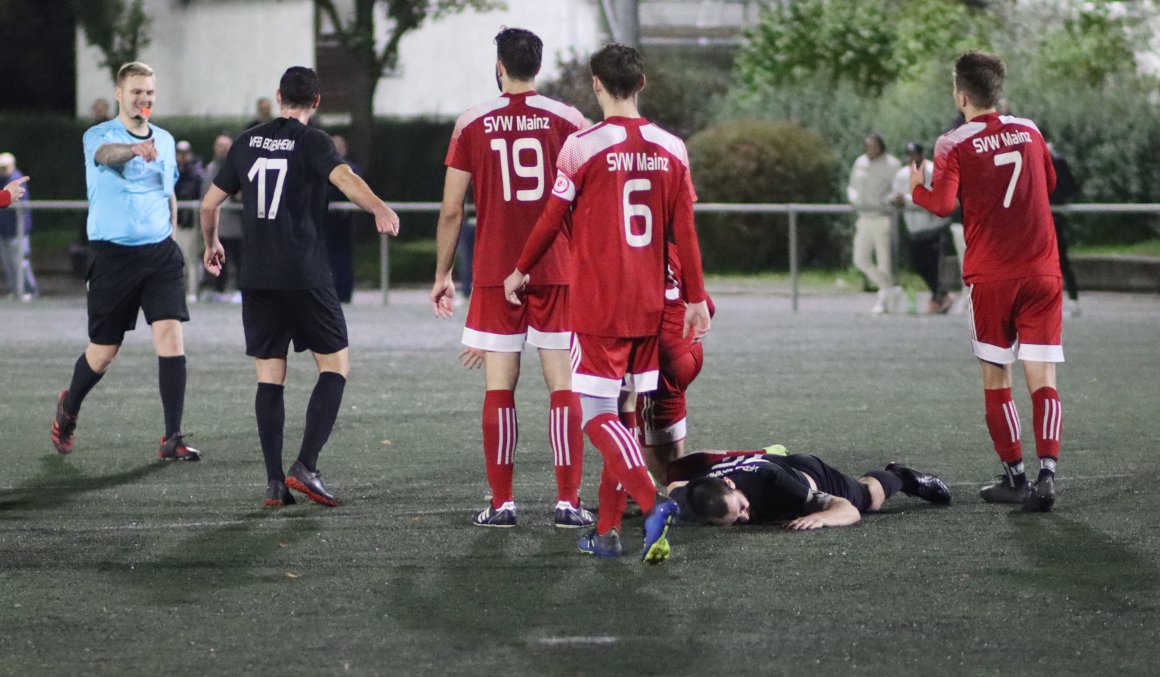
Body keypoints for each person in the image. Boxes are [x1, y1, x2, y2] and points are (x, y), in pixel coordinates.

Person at [503, 43, 712, 564]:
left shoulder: (581, 146)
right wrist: (696, 297)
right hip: (649, 302)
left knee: (592, 415)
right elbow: (684, 231)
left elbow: (550, 220)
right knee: (625, 419)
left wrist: (520, 269)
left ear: (596, 85)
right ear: (641, 84)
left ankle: (650, 501)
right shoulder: (673, 147)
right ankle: (608, 531)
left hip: (599, 302)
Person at [201, 66, 400, 508]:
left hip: (257, 278)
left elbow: (210, 202)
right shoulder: (313, 141)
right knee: (335, 367)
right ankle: (305, 466)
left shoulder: (247, 140)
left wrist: (211, 243)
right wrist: (379, 208)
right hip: (305, 274)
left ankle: (274, 482)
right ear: (317, 101)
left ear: (277, 96)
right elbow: (344, 179)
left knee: (270, 377)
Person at [430, 28, 593, 529]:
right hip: (558, 268)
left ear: (500, 65)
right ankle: (567, 503)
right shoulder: (569, 120)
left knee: (499, 387)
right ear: (537, 67)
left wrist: (442, 274)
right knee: (562, 385)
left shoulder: (472, 122)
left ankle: (502, 504)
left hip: (496, 270)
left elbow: (453, 209)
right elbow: (588, 201)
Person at [910, 51, 1062, 512]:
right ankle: (1048, 475)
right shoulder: (1031, 130)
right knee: (1044, 378)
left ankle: (1016, 478)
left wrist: (918, 185)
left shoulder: (952, 142)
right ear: (997, 92)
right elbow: (1048, 183)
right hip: (1041, 270)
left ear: (961, 96)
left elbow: (941, 205)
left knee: (997, 377)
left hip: (992, 276)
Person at [51, 61, 200, 461]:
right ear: (120, 94)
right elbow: (107, 155)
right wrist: (135, 149)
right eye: (136, 91)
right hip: (113, 257)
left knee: (170, 336)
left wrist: (169, 228)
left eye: (149, 91)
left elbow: (166, 189)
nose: (144, 98)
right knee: (104, 351)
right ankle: (69, 408)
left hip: (159, 255)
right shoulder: (100, 135)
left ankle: (172, 437)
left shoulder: (166, 140)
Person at [667, 449, 950, 529]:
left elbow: (847, 510)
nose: (745, 517)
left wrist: (824, 517)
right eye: (735, 520)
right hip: (770, 459)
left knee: (868, 498)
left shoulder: (775, 484)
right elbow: (675, 485)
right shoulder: (696, 497)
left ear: (730, 484)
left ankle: (900, 476)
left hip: (809, 473)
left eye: (741, 508)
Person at [890, 142, 953, 314]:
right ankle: (940, 296)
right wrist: (895, 199)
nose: (911, 158)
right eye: (909, 155)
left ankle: (940, 297)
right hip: (915, 228)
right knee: (918, 265)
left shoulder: (932, 171)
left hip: (934, 227)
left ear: (921, 154)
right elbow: (896, 194)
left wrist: (907, 200)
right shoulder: (902, 174)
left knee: (934, 266)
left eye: (914, 154)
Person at [848, 134, 902, 313]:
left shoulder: (891, 164)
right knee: (860, 259)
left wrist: (885, 201)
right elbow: (852, 186)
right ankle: (889, 288)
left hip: (881, 217)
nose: (871, 150)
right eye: (868, 146)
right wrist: (854, 199)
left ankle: (884, 300)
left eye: (874, 146)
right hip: (863, 217)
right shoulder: (860, 162)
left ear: (880, 146)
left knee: (883, 261)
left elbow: (897, 189)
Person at [202, 134, 244, 302]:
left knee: (239, 257)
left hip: (237, 223)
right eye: (220, 145)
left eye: (226, 146)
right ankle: (218, 289)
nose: (223, 149)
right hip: (217, 224)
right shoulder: (210, 169)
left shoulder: (239, 167)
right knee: (218, 259)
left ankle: (238, 290)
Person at [1047, 142, 1082, 316]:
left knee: (1060, 261)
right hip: (1040, 218)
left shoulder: (1056, 161)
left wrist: (1054, 202)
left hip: (1051, 217)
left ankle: (1073, 301)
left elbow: (1070, 188)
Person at [0, 153, 38, 300]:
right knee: (8, 263)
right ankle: (16, 291)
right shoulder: (1, 180)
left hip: (18, 230)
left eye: (5, 167)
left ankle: (30, 290)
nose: (2, 170)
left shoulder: (16, 180)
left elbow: (17, 201)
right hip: (4, 230)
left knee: (21, 262)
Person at [324, 135, 357, 303]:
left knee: (343, 258)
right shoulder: (322, 167)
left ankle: (344, 292)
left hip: (344, 222)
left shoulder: (351, 168)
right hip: (326, 222)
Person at [173, 140, 204, 302]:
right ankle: (178, 290)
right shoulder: (172, 171)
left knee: (191, 259)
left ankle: (192, 290)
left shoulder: (197, 174)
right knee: (176, 259)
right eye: (180, 153)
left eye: (185, 154)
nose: (182, 157)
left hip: (190, 222)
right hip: (174, 222)